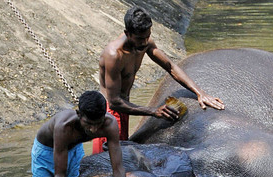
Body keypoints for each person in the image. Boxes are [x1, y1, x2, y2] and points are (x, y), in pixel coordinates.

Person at [93, 4, 224, 153]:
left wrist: (200, 93)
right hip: (109, 114)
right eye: (139, 39)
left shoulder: (146, 43)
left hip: (125, 108)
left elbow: (171, 67)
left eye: (147, 36)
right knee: (106, 164)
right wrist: (153, 111)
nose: (144, 42)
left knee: (124, 158)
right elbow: (115, 102)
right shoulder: (114, 55)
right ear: (127, 33)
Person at [32, 89, 128, 177]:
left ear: (104, 116)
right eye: (88, 124)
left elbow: (118, 169)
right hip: (45, 152)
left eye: (98, 123)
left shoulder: (110, 124)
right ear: (78, 114)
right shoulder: (64, 127)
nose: (94, 129)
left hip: (73, 149)